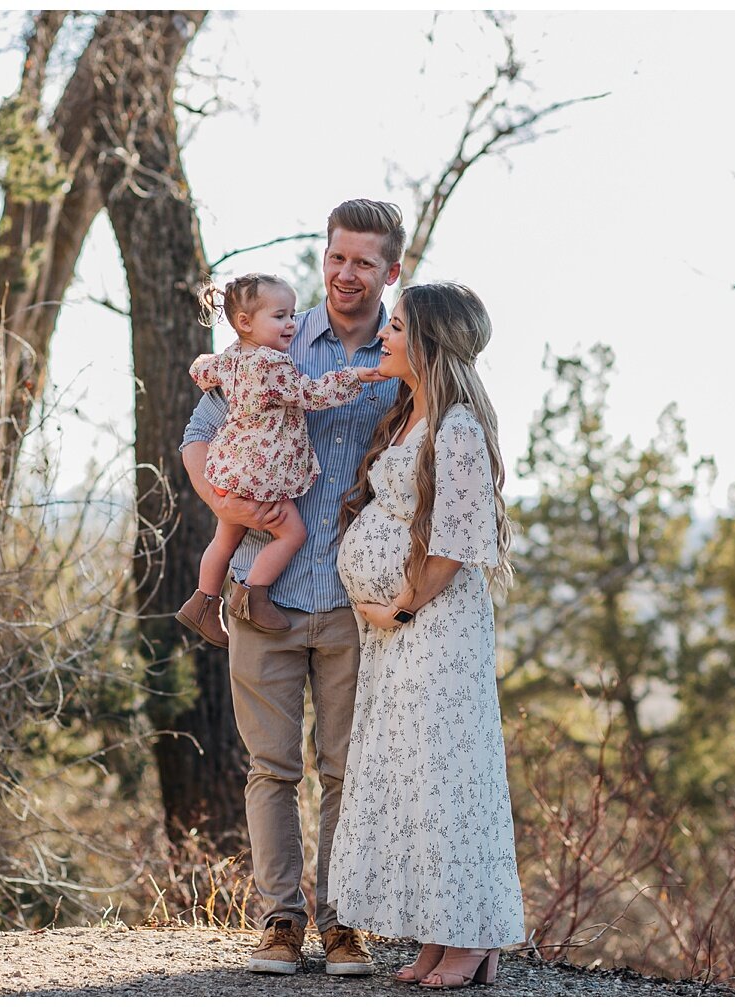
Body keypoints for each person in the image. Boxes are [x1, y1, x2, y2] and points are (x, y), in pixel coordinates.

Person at [179, 200, 405, 975]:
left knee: (345, 770)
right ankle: (281, 922)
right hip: (260, 592)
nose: (346, 273)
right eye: (337, 257)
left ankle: (344, 923)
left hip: (351, 603)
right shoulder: (274, 334)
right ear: (326, 259)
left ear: (391, 272)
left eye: (364, 262)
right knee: (271, 767)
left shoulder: (401, 357)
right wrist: (230, 507)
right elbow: (197, 437)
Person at [327, 281, 525, 990]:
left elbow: (456, 543)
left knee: (450, 777)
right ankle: (445, 935)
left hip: (435, 629)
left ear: (430, 342)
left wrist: (403, 606)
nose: (386, 333)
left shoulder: (458, 429)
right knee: (418, 778)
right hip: (402, 635)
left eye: (400, 326)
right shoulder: (417, 416)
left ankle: (469, 935)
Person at [176, 273, 381, 646]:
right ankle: (254, 593)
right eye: (281, 316)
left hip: (230, 468)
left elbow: (199, 370)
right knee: (292, 533)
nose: (292, 324)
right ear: (245, 322)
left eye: (291, 315)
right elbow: (311, 394)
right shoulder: (273, 364)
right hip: (262, 473)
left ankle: (203, 602)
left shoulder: (233, 357)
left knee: (225, 538)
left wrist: (214, 369)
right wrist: (355, 378)